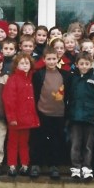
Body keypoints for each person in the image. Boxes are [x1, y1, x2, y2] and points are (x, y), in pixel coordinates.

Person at [66, 52, 94, 181]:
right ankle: (76, 167)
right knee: (75, 144)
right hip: (75, 118)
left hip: (91, 118)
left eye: (87, 64)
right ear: (76, 65)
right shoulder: (72, 79)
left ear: (91, 64)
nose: (84, 66)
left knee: (88, 146)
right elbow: (67, 98)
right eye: (81, 64)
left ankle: (86, 167)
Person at [30, 49, 70, 179]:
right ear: (44, 60)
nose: (51, 61)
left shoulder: (64, 75)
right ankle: (36, 164)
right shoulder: (39, 75)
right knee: (39, 140)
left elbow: (68, 94)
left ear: (58, 59)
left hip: (59, 114)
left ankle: (54, 165)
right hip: (42, 112)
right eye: (49, 59)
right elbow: (35, 93)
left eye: (54, 59)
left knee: (56, 141)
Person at [2, 52, 40, 177]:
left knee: (24, 143)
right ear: (16, 65)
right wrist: (11, 117)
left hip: (27, 118)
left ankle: (24, 164)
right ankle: (12, 165)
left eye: (27, 63)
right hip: (16, 118)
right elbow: (9, 100)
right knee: (13, 142)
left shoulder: (30, 78)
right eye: (22, 63)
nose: (25, 65)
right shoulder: (13, 79)